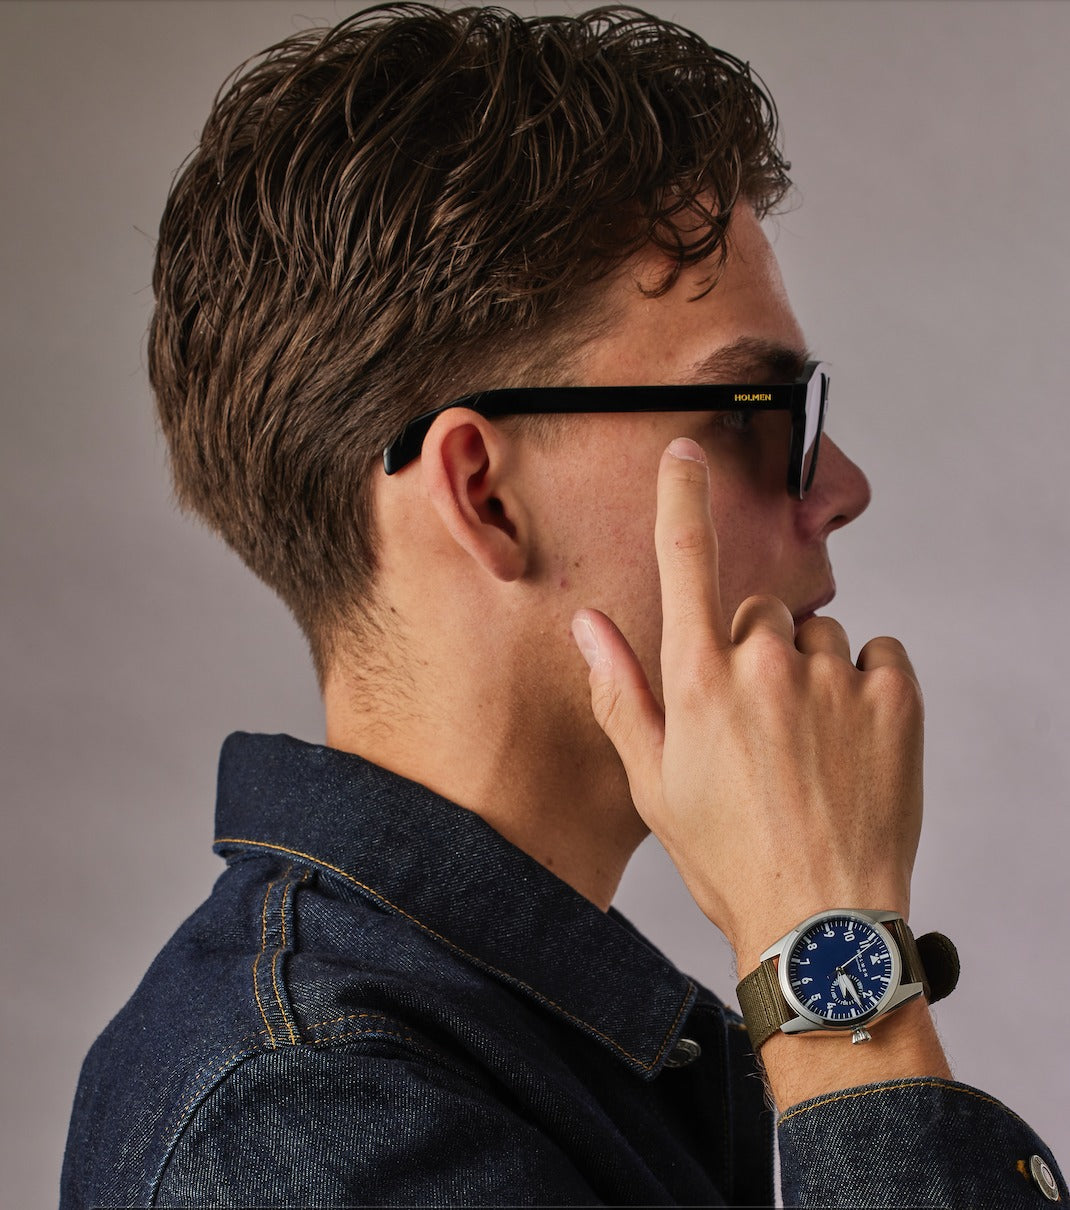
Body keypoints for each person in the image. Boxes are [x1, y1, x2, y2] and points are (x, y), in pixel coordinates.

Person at [60, 4, 1064, 1207]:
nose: (840, 487)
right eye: (752, 411)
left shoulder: (490, 1049)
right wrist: (831, 960)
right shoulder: (313, 1114)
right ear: (483, 495)